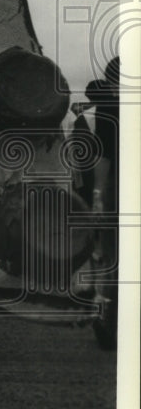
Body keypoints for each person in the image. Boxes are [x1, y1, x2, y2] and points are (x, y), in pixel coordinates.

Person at [84, 57, 119, 350]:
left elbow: (103, 157)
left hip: (115, 189)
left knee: (109, 258)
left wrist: (97, 196)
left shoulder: (108, 108)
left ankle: (106, 318)